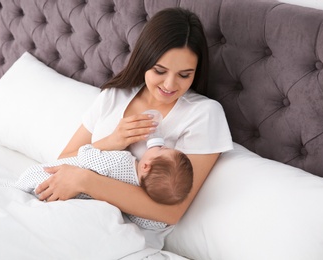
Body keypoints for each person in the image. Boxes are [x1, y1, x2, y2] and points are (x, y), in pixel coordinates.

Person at [35, 7, 233, 248]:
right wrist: (110, 142)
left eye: (184, 75)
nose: (170, 85)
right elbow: (62, 162)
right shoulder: (114, 96)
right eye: (160, 71)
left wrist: (86, 181)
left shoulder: (203, 115)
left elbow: (171, 211)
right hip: (66, 210)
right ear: (144, 59)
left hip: (117, 235)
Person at [10, 144, 193, 230]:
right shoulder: (140, 204)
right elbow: (154, 222)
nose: (161, 145)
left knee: (35, 182)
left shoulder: (122, 161)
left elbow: (85, 156)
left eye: (162, 149)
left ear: (146, 166)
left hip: (52, 178)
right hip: (73, 200)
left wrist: (88, 148)